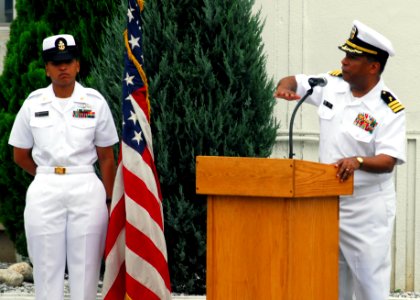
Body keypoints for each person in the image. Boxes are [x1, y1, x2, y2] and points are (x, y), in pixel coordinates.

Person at [273, 20, 406, 300]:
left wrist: (358, 160)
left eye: (352, 57)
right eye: (345, 55)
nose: (343, 62)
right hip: (325, 201)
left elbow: (389, 160)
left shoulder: (388, 107)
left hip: (365, 210)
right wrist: (284, 86)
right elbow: (295, 80)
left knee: (370, 287)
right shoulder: (332, 84)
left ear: (373, 67)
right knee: (329, 283)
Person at [8, 34, 119, 300]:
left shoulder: (94, 102)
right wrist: (46, 175)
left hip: (85, 186)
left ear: (78, 65)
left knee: (86, 269)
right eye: (56, 63)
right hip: (45, 188)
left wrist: (108, 197)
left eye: (68, 61)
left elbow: (107, 157)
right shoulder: (33, 104)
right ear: (47, 68)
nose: (63, 68)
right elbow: (19, 154)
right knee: (46, 268)